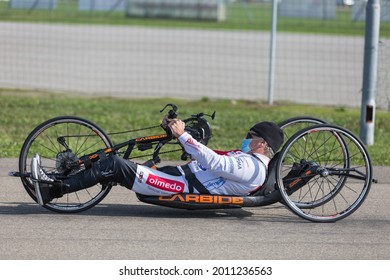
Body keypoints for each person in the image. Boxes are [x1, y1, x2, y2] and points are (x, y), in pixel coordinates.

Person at [31, 118, 284, 206]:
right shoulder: (248, 159)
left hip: (180, 187)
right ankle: (56, 179)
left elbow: (215, 162)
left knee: (115, 165)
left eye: (249, 136)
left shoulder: (251, 167)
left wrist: (183, 135)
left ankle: (52, 190)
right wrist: (176, 131)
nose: (244, 139)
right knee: (112, 164)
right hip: (179, 176)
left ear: (262, 143)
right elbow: (209, 155)